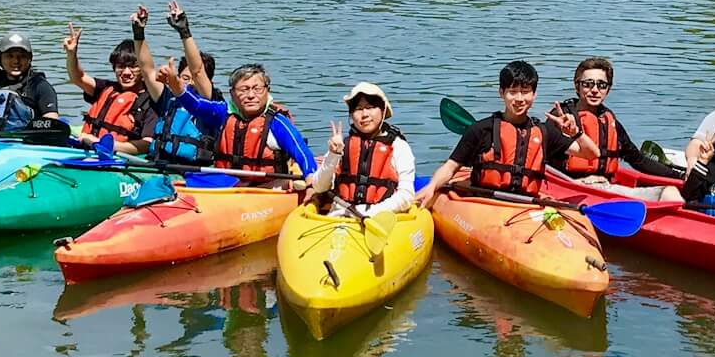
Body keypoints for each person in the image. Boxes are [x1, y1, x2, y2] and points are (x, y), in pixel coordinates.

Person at [415, 61, 596, 209]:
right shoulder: (481, 129)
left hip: (526, 206)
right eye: (512, 92)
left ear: (534, 95)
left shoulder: (544, 132)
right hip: (485, 202)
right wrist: (431, 187)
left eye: (525, 92)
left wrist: (576, 133)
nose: (519, 99)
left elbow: (591, 155)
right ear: (501, 93)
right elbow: (451, 167)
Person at [153, 60, 316, 179]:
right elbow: (195, 105)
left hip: (266, 186)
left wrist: (310, 175)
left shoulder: (277, 123)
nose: (251, 95)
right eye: (244, 90)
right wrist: (175, 84)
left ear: (267, 91)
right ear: (232, 94)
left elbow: (300, 150)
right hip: (227, 182)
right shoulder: (223, 113)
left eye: (257, 89)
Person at [555, 56, 682, 186]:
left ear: (608, 89)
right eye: (587, 84)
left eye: (601, 85)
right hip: (569, 187)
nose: (594, 90)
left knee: (669, 192)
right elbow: (541, 159)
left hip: (605, 187)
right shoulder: (561, 117)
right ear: (577, 86)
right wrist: (577, 182)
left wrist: (679, 176)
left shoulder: (610, 121)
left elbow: (638, 160)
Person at [303, 82, 417, 217]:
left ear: (383, 110)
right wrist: (333, 155)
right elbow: (319, 187)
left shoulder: (399, 147)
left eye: (370, 107)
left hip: (382, 219)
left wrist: (370, 213)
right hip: (340, 217)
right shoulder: (342, 145)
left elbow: (406, 194)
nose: (364, 114)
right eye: (358, 109)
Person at [133, 2, 218, 167]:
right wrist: (138, 32)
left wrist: (184, 31)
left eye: (194, 79)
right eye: (185, 78)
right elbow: (147, 70)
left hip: (191, 170)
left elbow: (198, 70)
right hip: (159, 164)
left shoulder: (209, 102)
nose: (190, 82)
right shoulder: (168, 99)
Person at [62, 21, 151, 155]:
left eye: (133, 66)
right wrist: (71, 53)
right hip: (87, 149)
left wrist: (102, 143)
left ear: (143, 68)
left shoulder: (151, 100)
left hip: (118, 158)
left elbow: (147, 144)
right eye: (120, 66)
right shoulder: (106, 88)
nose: (126, 72)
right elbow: (78, 78)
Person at [0, 17, 62, 133]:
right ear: (0, 58)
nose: (16, 61)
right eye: (10, 56)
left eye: (22, 56)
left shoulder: (40, 85)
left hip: (28, 143)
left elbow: (51, 121)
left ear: (30, 59)